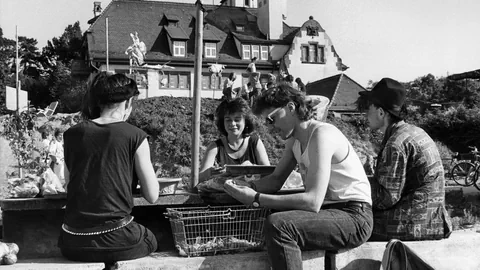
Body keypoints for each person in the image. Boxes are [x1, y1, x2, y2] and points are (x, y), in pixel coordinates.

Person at [224, 84, 373, 270]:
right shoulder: (295, 141)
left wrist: (255, 199)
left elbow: (312, 201)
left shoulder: (322, 134)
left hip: (354, 216)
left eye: (272, 119)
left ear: (291, 108)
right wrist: (245, 186)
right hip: (331, 212)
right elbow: (276, 180)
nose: (271, 128)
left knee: (279, 225)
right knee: (270, 218)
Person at [58, 72, 159, 270]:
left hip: (72, 242)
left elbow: (70, 183)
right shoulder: (135, 135)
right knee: (151, 239)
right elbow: (152, 195)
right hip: (119, 238)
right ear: (128, 102)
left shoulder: (71, 134)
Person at [357, 77, 452, 241]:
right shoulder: (414, 132)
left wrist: (356, 181)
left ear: (381, 112)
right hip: (433, 220)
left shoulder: (396, 144)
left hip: (412, 225)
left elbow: (386, 199)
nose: (365, 113)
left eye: (368, 107)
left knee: (351, 225)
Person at [199, 97, 270, 182]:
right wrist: (211, 172)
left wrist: (252, 169)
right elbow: (200, 177)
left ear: (246, 121)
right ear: (222, 122)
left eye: (237, 120)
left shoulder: (255, 142)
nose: (232, 124)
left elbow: (267, 172)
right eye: (228, 120)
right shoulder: (215, 147)